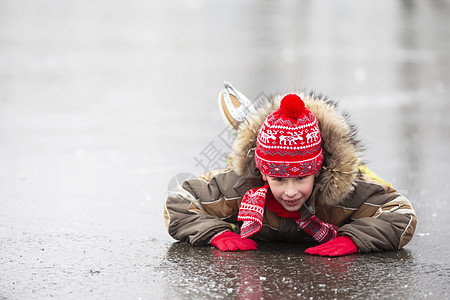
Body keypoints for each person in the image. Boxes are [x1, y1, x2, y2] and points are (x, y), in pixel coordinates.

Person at [164, 86, 417, 256]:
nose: (291, 191)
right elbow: (178, 202)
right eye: (278, 178)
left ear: (317, 170)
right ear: (263, 173)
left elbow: (401, 213)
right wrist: (214, 233)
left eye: (301, 177)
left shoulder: (346, 191)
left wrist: (355, 239)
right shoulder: (239, 186)